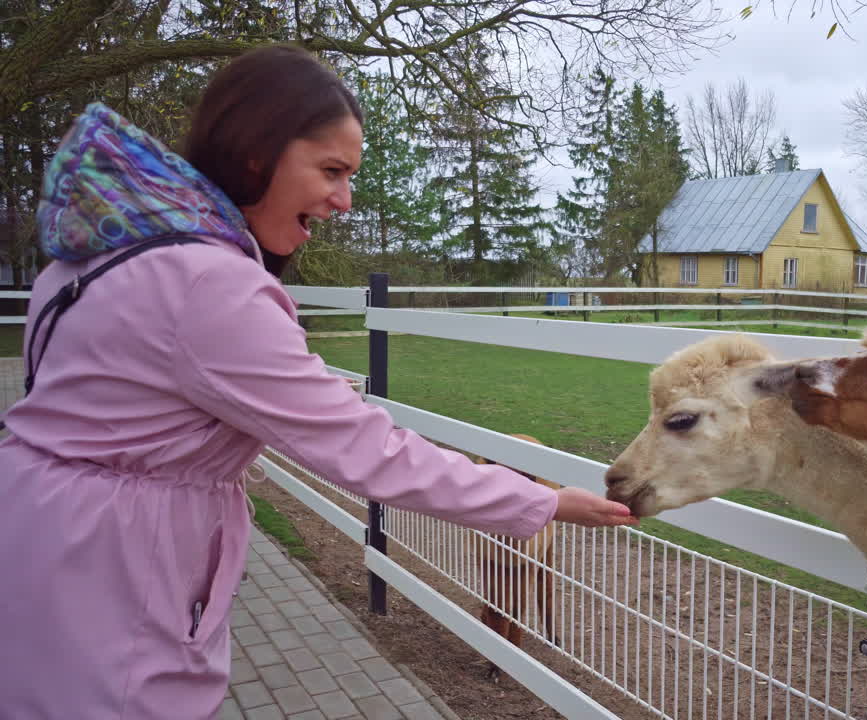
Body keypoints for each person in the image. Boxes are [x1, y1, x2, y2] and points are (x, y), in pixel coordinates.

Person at [0, 44, 636, 719]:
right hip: (117, 568)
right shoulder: (212, 287)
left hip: (39, 536)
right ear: (257, 151)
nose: (345, 200)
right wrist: (541, 501)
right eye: (331, 170)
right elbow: (367, 451)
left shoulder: (94, 259)